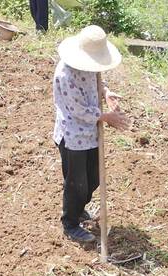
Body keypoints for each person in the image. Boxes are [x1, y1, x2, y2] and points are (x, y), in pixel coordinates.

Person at [53, 25, 130, 242]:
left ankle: (78, 208)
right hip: (73, 135)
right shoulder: (65, 74)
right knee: (76, 183)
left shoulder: (90, 64)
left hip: (91, 132)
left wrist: (106, 92)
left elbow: (97, 81)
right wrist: (106, 117)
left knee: (94, 178)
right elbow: (77, 110)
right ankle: (70, 223)